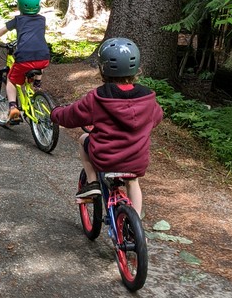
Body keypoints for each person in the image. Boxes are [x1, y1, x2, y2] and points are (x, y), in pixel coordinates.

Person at [50, 37, 162, 215]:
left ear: (103, 68)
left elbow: (71, 116)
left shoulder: (98, 97)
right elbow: (157, 117)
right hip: (136, 159)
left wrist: (55, 113)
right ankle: (136, 227)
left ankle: (93, 182)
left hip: (106, 158)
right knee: (133, 183)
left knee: (83, 139)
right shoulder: (147, 97)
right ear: (136, 68)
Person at [0, 0, 51, 124]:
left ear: (19, 6)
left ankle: (13, 108)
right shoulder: (42, 19)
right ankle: (37, 83)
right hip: (44, 56)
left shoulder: (18, 20)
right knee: (39, 61)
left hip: (25, 58)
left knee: (11, 80)